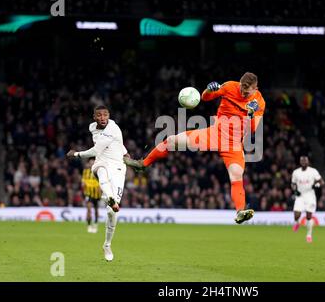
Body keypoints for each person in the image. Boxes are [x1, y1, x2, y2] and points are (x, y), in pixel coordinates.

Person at [124, 72, 266, 224]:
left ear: (255, 88)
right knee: (172, 140)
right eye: (242, 89)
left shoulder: (259, 102)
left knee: (236, 175)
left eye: (247, 91)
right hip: (214, 134)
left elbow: (251, 130)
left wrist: (250, 114)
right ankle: (142, 164)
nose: (243, 93)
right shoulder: (230, 86)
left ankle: (240, 211)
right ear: (239, 83)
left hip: (233, 144)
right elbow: (205, 98)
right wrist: (209, 90)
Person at [67, 105, 128, 261]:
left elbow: (96, 150)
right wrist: (126, 152)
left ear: (109, 116)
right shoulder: (92, 127)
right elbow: (99, 152)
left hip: (118, 168)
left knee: (111, 212)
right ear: (94, 117)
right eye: (99, 115)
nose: (102, 118)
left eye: (105, 115)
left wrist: (76, 154)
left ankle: (107, 245)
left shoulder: (113, 128)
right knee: (100, 170)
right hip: (101, 163)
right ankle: (108, 196)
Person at [291, 156, 324, 243]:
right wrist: (295, 190)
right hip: (300, 196)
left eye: (305, 161)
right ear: (300, 162)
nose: (304, 162)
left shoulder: (313, 171)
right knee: (296, 215)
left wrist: (316, 185)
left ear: (308, 162)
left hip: (310, 195)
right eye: (302, 161)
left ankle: (309, 235)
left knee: (308, 216)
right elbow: (293, 184)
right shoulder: (296, 172)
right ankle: (297, 222)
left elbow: (322, 182)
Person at [82, 159, 101, 233]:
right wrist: (84, 185)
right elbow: (83, 182)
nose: (92, 164)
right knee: (89, 209)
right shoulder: (86, 172)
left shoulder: (98, 172)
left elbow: (101, 182)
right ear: (89, 164)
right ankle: (89, 225)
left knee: (96, 210)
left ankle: (95, 223)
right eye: (91, 163)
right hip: (88, 193)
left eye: (93, 163)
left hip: (97, 194)